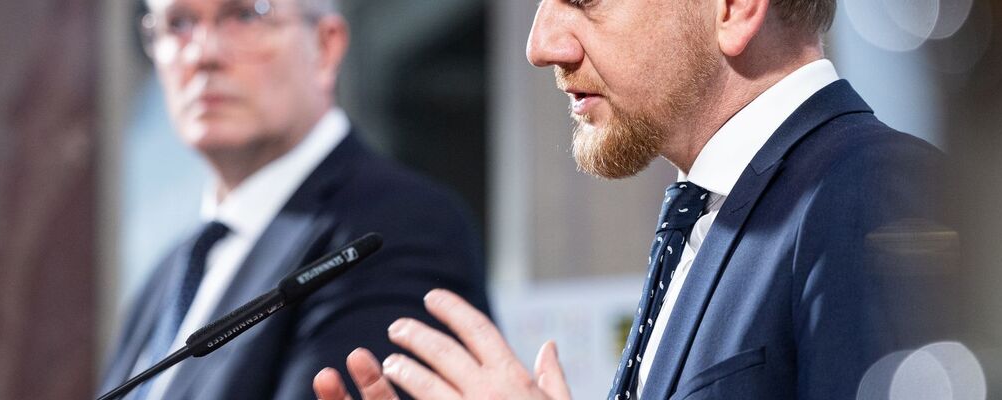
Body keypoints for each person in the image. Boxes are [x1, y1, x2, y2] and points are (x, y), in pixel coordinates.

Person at [313, 0, 948, 398]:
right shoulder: (708, 216)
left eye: (583, 1)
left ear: (734, 8)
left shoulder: (874, 191)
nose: (541, 46)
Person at [97, 0, 490, 398]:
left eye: (246, 15)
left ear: (326, 46)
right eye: (178, 23)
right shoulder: (167, 277)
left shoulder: (395, 228)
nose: (203, 54)